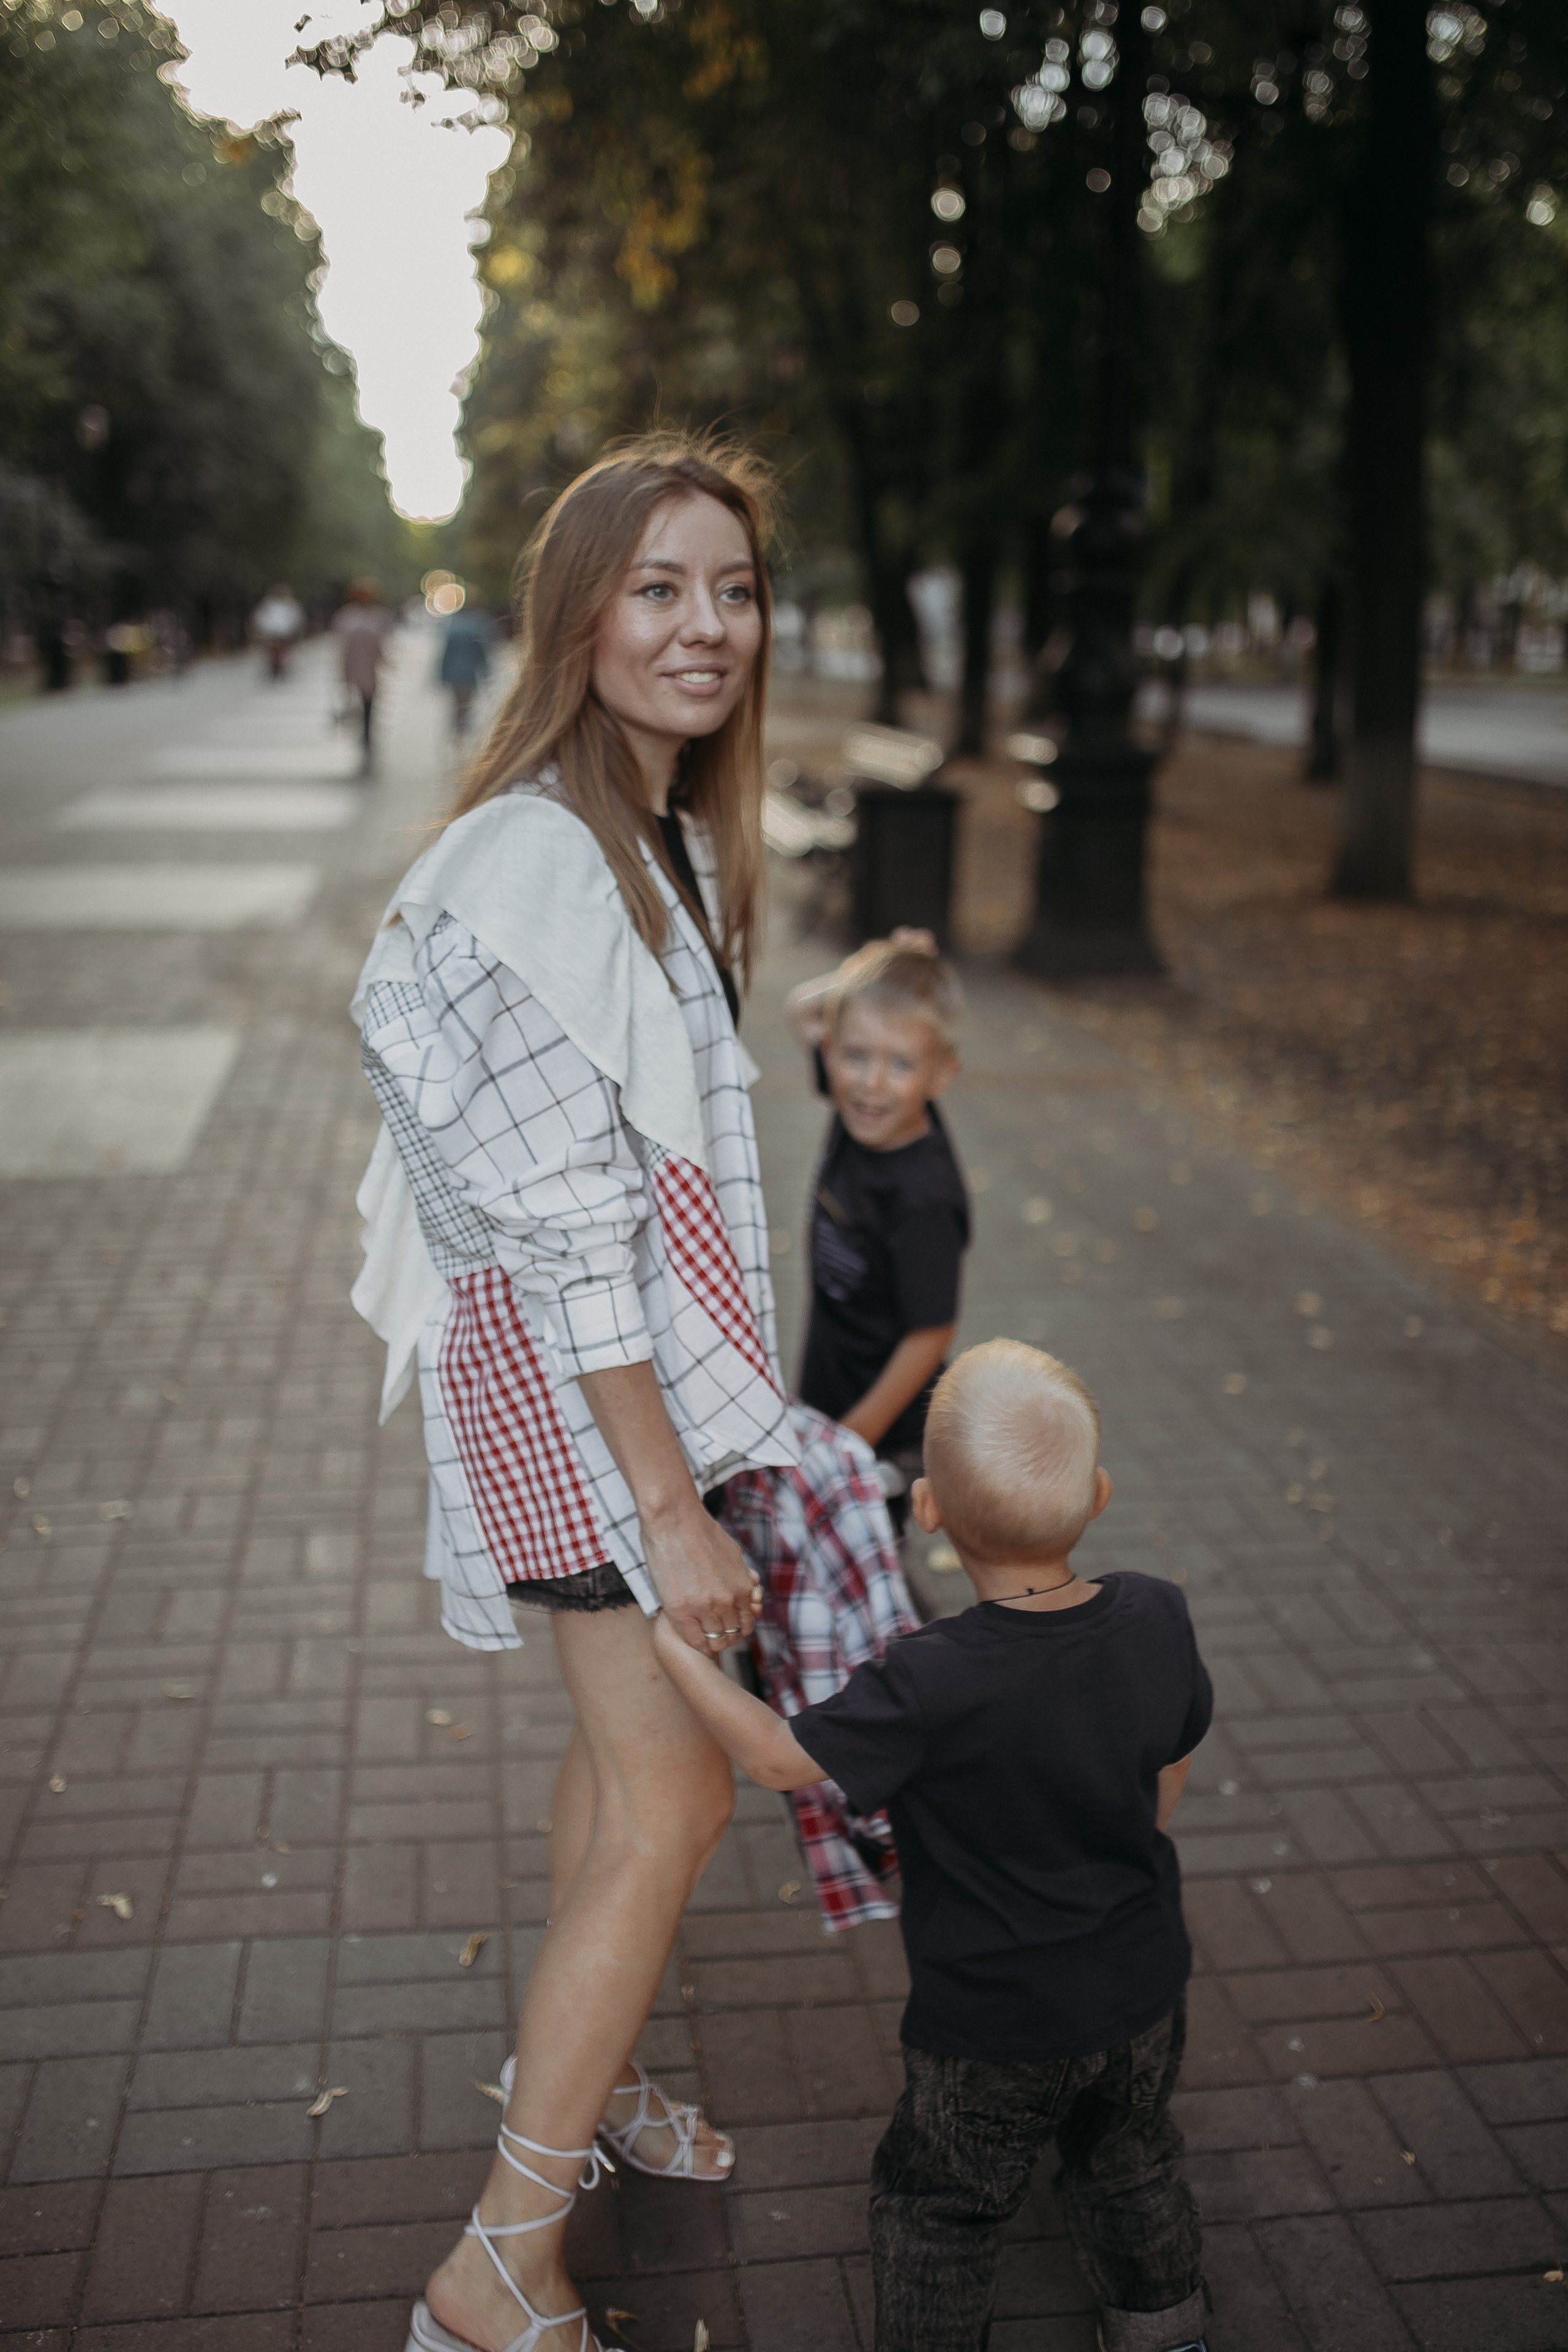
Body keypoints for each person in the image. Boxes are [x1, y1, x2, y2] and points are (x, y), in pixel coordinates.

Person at [349, 434, 799, 2352]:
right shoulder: (537, 859)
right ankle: (497, 2259)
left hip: (599, 1381)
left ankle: (586, 2079)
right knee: (680, 1790)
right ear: (579, 613)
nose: (705, 626)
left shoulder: (660, 831)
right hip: (573, 1397)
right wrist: (671, 1501)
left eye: (733, 588)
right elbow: (565, 1231)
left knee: (622, 1769)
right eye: (658, 588)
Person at [653, 1338, 1214, 2352]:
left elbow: (782, 1760)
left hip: (988, 2026)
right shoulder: (1156, 1615)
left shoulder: (929, 1677)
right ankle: (1170, 2331)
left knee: (939, 2203)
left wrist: (678, 1651)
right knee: (1131, 2158)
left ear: (929, 1514)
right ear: (1099, 1494)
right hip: (1141, 1988)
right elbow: (1168, 1765)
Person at [785, 936, 970, 1523]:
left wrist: (853, 1438)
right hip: (828, 1393)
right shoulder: (859, 1110)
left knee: (866, 1566)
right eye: (856, 1056)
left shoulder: (923, 1198)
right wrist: (869, 964)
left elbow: (931, 1333)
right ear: (833, 1051)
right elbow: (799, 1008)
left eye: (901, 1065)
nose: (872, 1084)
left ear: (942, 1076)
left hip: (884, 1428)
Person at [332, 576, 393, 768]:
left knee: (369, 706)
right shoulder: (346, 616)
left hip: (369, 670)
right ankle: (361, 734)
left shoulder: (378, 616)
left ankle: (367, 737)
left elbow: (381, 645)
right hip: (352, 668)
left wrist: (386, 663)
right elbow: (341, 646)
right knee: (355, 704)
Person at [437, 598, 494, 736]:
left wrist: (442, 675)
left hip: (454, 674)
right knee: (466, 703)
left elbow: (446, 655)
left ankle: (458, 727)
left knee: (457, 702)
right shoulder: (475, 629)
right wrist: (486, 672)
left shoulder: (453, 629)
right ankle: (462, 726)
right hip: (469, 674)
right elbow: (481, 655)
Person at [252, 582, 306, 680]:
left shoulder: (291, 605)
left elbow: (296, 619)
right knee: (271, 651)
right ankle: (273, 667)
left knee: (285, 651)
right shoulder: (266, 606)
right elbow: (260, 619)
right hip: (270, 634)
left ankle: (283, 667)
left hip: (286, 634)